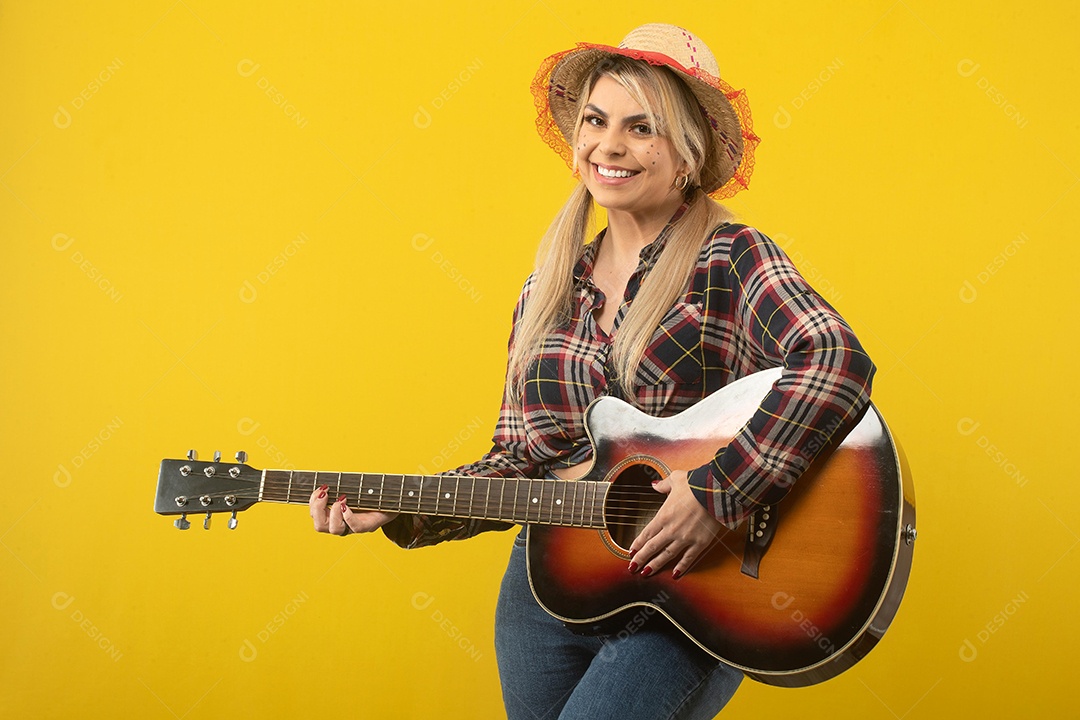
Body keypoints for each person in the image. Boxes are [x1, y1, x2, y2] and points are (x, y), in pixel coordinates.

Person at [309, 23, 875, 719]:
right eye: (596, 121)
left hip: (688, 593)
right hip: (545, 588)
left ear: (688, 155)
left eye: (642, 128)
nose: (609, 146)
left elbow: (836, 360)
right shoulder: (547, 288)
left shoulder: (730, 259)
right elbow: (521, 458)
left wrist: (718, 493)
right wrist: (409, 505)